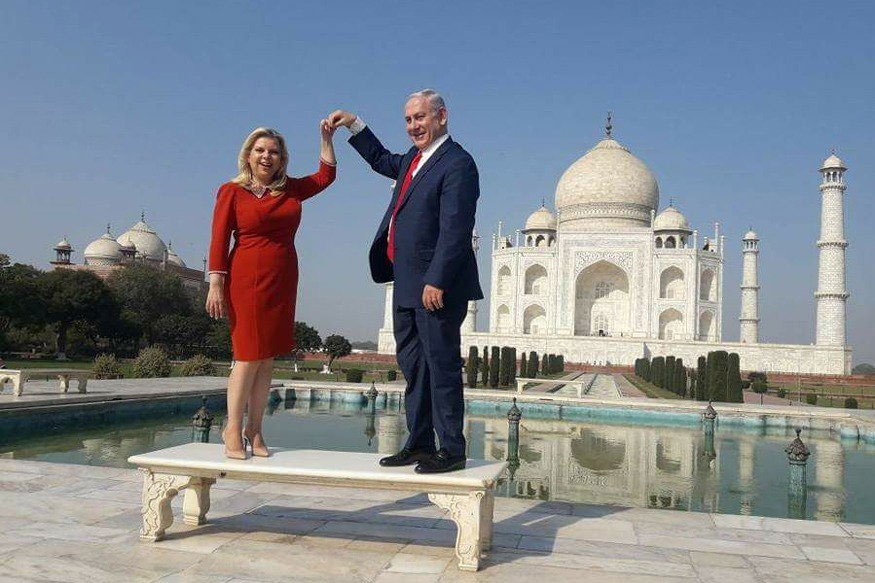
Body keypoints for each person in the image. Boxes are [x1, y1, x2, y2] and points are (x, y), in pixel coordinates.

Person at [329, 89, 482, 473]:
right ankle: (419, 443)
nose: (413, 125)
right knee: (415, 367)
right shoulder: (414, 160)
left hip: (435, 287)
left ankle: (452, 449)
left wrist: (438, 280)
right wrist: (354, 124)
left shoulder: (457, 164)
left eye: (420, 117)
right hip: (406, 282)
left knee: (441, 365)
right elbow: (381, 159)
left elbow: (456, 229)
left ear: (441, 117)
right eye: (408, 119)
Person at [206, 123, 337, 459]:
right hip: (245, 277)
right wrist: (216, 284)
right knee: (247, 356)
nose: (267, 156)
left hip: (283, 276)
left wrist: (325, 139)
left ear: (282, 159)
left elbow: (325, 176)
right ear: (248, 155)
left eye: (274, 152)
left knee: (266, 360)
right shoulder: (231, 192)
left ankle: (256, 428)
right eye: (260, 150)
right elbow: (219, 239)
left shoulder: (290, 190)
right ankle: (232, 427)